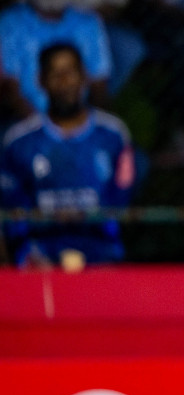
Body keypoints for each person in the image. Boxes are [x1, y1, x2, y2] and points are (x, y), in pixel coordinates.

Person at [1, 42, 135, 267]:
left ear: (84, 77)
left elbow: (120, 199)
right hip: (40, 249)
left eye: (71, 72)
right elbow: (12, 207)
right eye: (56, 74)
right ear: (40, 81)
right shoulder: (19, 141)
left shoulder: (113, 135)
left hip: (99, 247)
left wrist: (89, 216)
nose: (65, 82)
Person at [0, 0, 113, 123]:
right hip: (26, 121)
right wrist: (45, 131)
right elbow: (9, 88)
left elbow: (99, 84)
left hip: (78, 119)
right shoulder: (10, 22)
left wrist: (88, 128)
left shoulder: (88, 22)